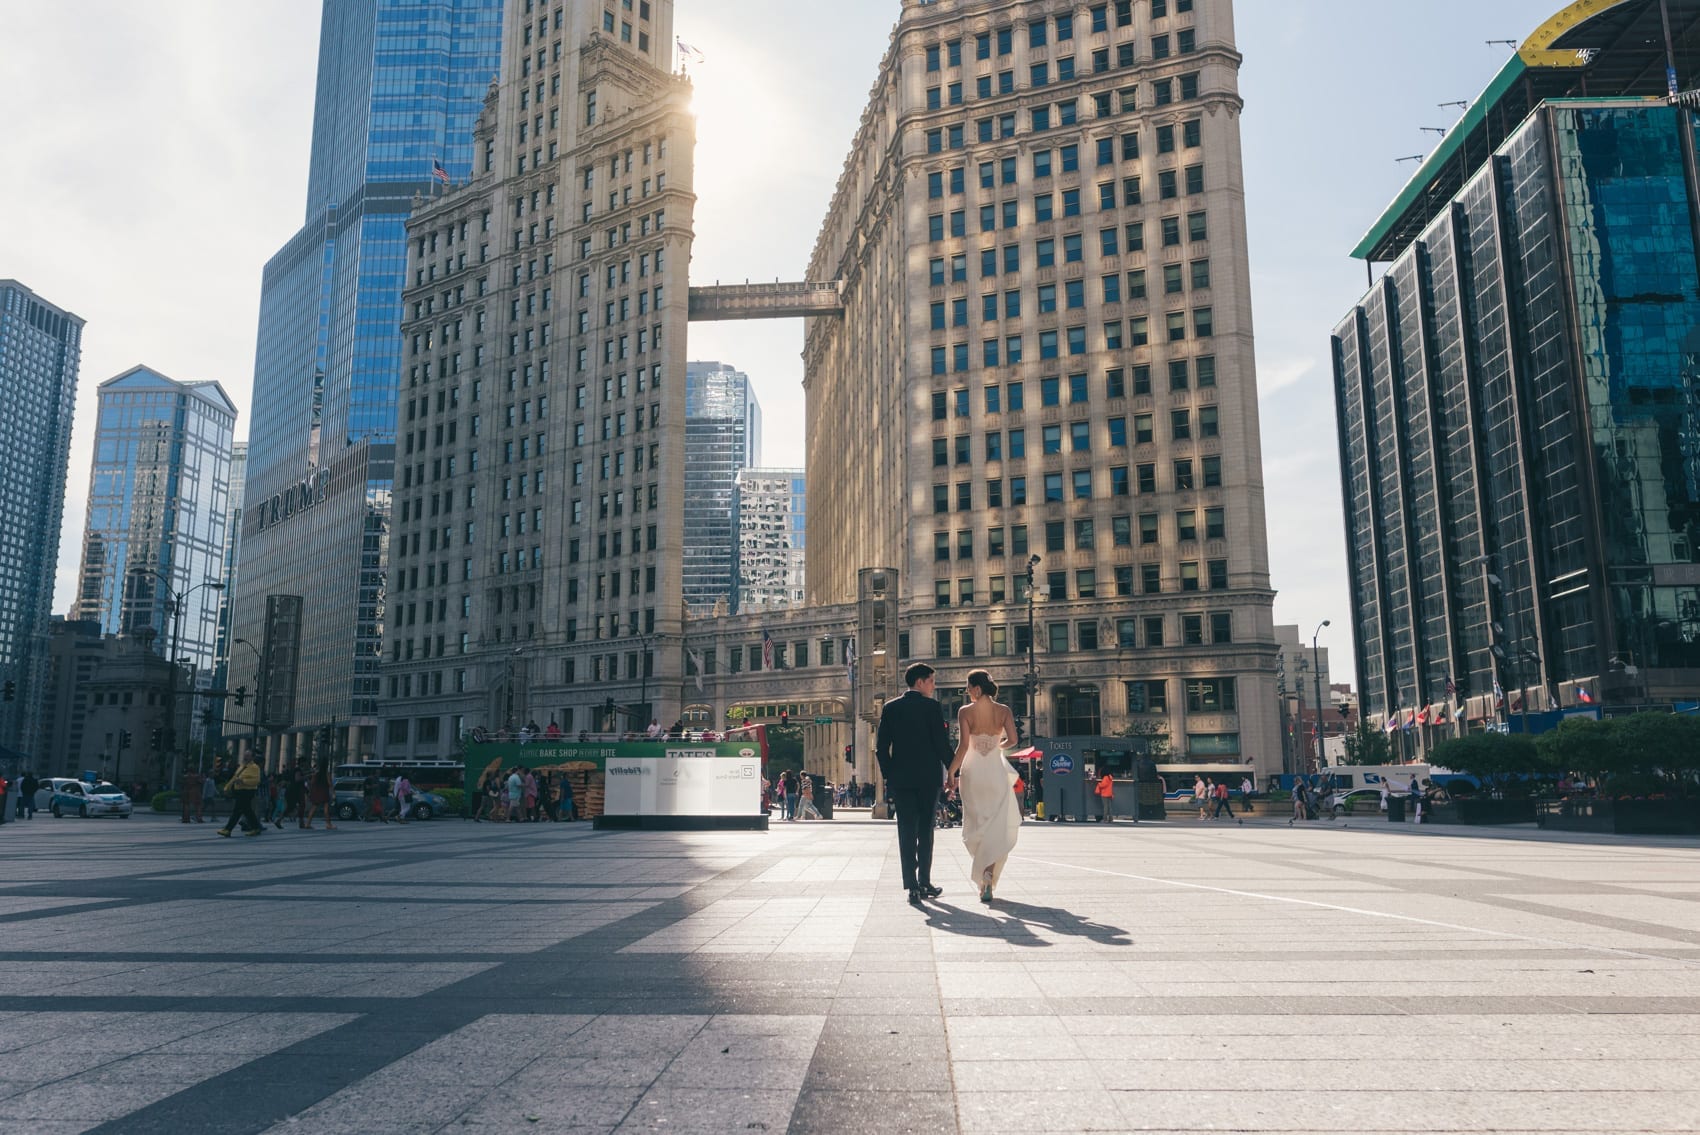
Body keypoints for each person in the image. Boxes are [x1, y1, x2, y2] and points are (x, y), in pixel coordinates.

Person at [878, 662, 954, 906]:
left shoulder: (890, 708)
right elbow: (941, 743)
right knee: (925, 831)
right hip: (928, 779)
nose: (933, 686)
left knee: (906, 831)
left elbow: (881, 748)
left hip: (901, 780)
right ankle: (925, 882)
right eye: (931, 681)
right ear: (920, 682)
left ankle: (911, 885)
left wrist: (891, 774)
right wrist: (954, 771)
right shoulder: (931, 707)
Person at [946, 669, 1021, 905]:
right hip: (996, 770)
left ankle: (983, 875)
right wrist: (998, 745)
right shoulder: (1004, 711)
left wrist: (951, 771)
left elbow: (964, 745)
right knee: (994, 822)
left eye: (968, 687)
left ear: (977, 688)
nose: (967, 692)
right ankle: (987, 877)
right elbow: (1014, 740)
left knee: (976, 822)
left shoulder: (965, 712)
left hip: (973, 771)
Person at [217, 753, 264, 838]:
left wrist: (243, 781)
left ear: (252, 757)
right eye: (245, 755)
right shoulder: (242, 766)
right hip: (240, 791)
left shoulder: (254, 767)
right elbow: (235, 777)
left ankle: (228, 829)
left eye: (248, 755)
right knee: (247, 811)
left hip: (247, 791)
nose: (245, 757)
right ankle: (256, 827)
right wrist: (227, 787)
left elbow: (256, 780)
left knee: (237, 810)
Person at [303, 763, 336, 830]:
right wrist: (333, 793)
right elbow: (330, 784)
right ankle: (328, 824)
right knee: (326, 809)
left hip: (316, 792)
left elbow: (311, 783)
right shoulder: (327, 773)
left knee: (313, 808)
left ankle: (308, 823)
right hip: (324, 792)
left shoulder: (316, 774)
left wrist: (310, 791)